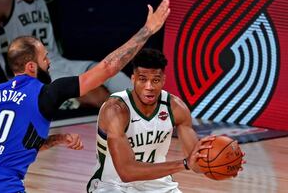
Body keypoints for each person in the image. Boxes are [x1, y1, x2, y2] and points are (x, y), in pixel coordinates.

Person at [0, 0, 171, 192]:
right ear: (31, 66)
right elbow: (107, 68)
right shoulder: (46, 93)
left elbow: (12, 145)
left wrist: (57, 139)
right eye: (44, 58)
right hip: (0, 184)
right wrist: (147, 31)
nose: (48, 63)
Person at [87, 49, 243, 193]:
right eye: (143, 79)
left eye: (155, 80)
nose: (149, 86)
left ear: (163, 80)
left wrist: (228, 163)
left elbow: (195, 162)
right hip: (113, 185)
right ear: (133, 79)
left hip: (157, 184)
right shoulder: (115, 110)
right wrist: (184, 164)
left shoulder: (176, 108)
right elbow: (127, 172)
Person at [0, 0, 133, 108]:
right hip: (34, 73)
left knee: (112, 73)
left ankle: (148, 112)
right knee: (97, 95)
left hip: (58, 62)